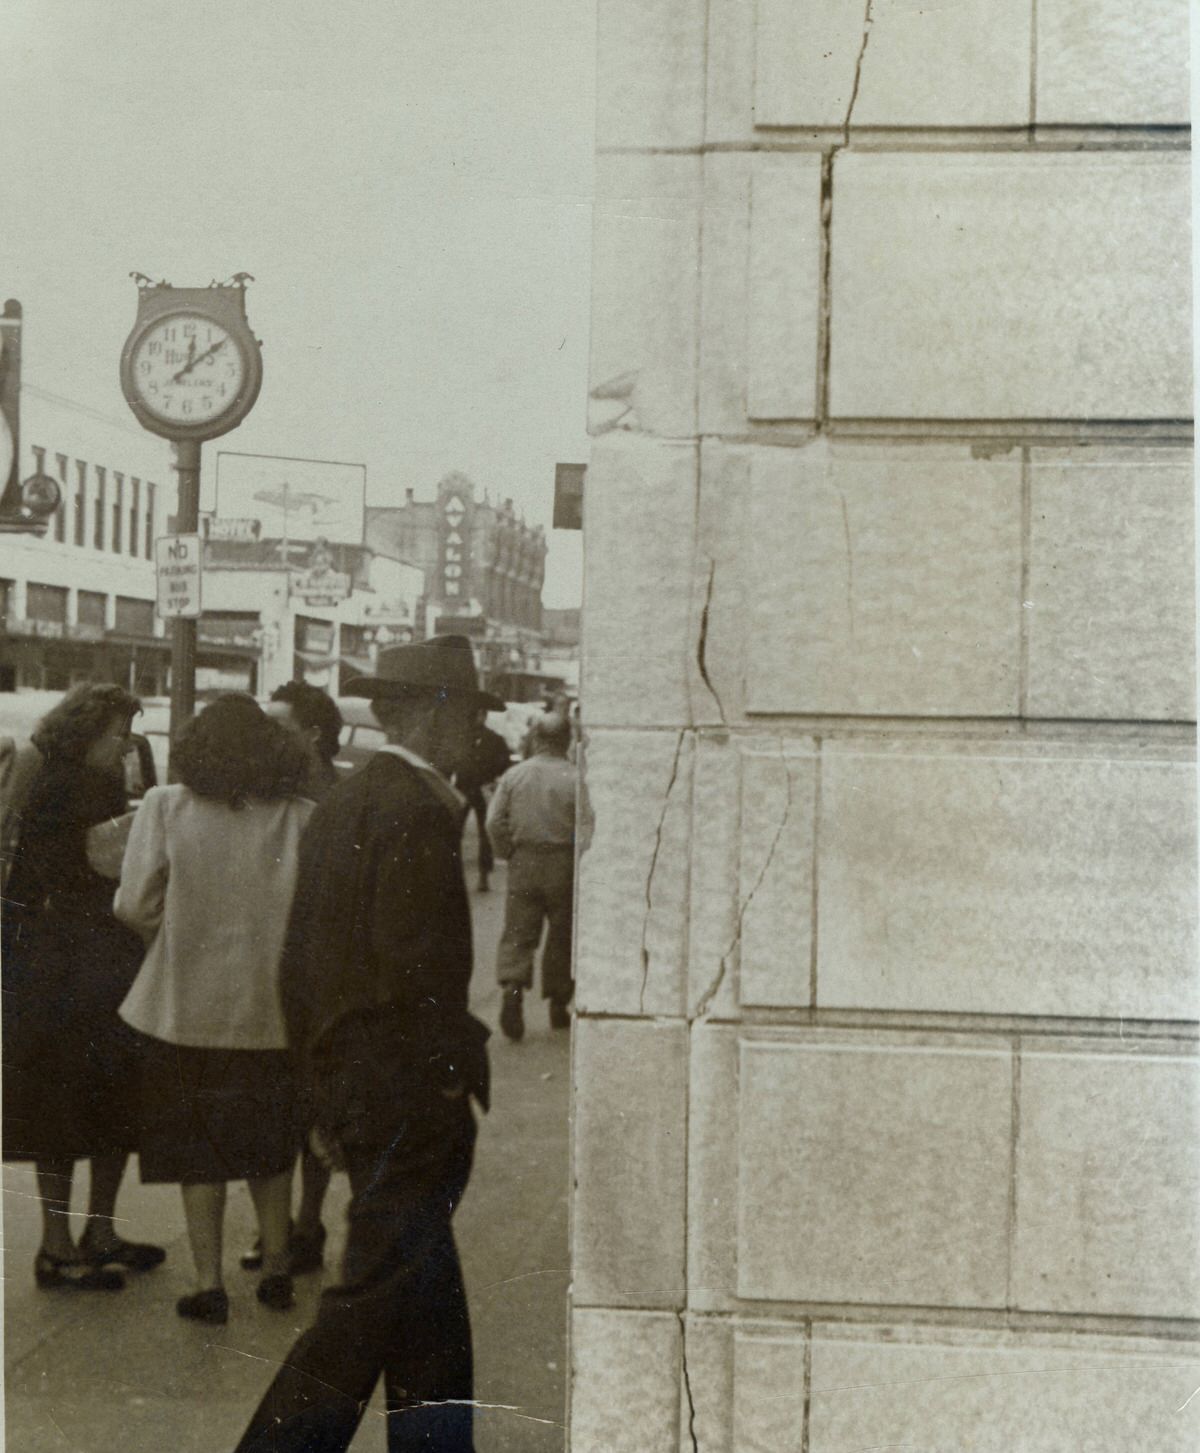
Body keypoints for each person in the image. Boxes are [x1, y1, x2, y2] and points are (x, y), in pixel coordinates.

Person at [233, 635, 496, 1453]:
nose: (474, 732)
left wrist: (317, 1090)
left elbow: (299, 962)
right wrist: (449, 1081)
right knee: (369, 1303)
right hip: (408, 1094)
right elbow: (415, 971)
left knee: (425, 1299)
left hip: (358, 1085)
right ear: (424, 713)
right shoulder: (417, 810)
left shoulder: (346, 800)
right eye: (466, 713)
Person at [114, 695, 314, 1325]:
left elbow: (133, 904)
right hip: (271, 1011)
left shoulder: (164, 807)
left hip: (182, 1010)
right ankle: (277, 1267)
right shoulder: (301, 817)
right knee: (270, 1145)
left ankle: (208, 1284)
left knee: (196, 1151)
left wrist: (168, 941)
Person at [1, 683, 166, 1290]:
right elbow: (107, 867)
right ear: (90, 729)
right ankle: (84, 1235)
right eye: (118, 734)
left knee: (59, 1104)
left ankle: (65, 1239)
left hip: (43, 963)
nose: (125, 745)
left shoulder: (39, 773)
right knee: (107, 1097)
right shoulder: (85, 785)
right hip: (87, 962)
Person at [236, 679, 345, 1278]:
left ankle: (307, 1219)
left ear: (312, 735)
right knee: (277, 1104)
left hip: (321, 970)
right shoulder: (257, 792)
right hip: (269, 967)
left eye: (277, 725)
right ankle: (280, 1226)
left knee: (316, 1103)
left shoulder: (338, 797)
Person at [487, 710, 577, 1041]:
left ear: (536, 738)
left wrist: (506, 851)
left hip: (524, 860)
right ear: (567, 740)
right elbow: (588, 825)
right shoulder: (576, 778)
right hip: (563, 864)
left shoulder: (515, 775)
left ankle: (512, 986)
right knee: (562, 934)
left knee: (518, 931)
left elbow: (493, 821)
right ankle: (558, 1001)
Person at [453, 711, 513, 891]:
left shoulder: (494, 739)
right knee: (454, 830)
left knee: (485, 832)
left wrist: (492, 776)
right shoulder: (461, 737)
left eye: (481, 715)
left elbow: (504, 761)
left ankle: (483, 875)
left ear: (485, 716)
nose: (478, 718)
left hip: (482, 788)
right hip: (463, 788)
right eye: (475, 715)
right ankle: (453, 873)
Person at [266, 679, 344, 801]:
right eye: (266, 724)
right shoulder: (275, 781)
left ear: (313, 734)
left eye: (277, 728)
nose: (267, 734)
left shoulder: (334, 796)